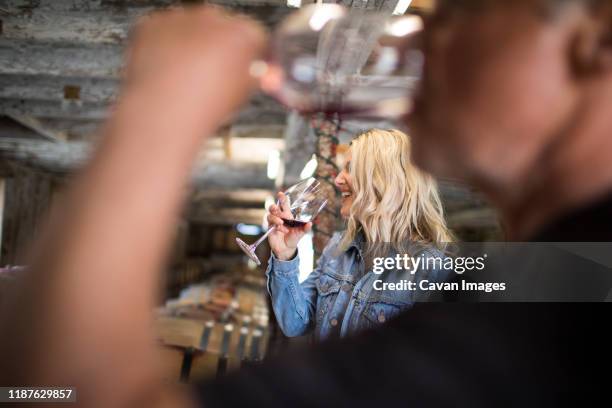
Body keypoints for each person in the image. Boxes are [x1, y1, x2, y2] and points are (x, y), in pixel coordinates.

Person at [0, 1, 611, 407]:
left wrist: (162, 105)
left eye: (457, 15)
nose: (426, 36)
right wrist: (288, 258)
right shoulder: (363, 258)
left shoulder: (495, 275)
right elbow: (298, 327)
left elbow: (64, 391)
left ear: (597, 37)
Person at [265, 129, 453, 341]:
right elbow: (295, 323)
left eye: (350, 169)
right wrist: (285, 254)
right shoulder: (338, 247)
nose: (337, 180)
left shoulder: (432, 271)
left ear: (386, 178)